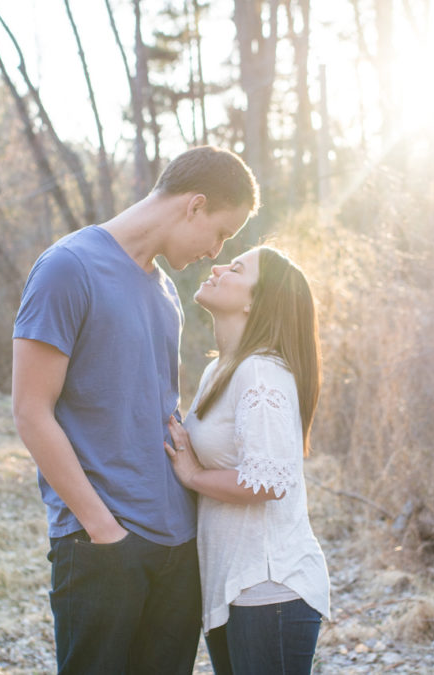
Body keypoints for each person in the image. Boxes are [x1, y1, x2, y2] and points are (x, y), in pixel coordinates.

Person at [11, 145, 259, 675]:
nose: (217, 252)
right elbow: (32, 412)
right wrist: (103, 530)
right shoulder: (67, 268)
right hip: (103, 544)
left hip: (177, 543)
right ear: (194, 206)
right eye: (220, 233)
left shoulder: (166, 291)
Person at [164, 246, 331, 675]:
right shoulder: (221, 369)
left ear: (254, 300)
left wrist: (194, 475)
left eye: (236, 267)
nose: (217, 267)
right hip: (233, 588)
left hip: (270, 592)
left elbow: (269, 483)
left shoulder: (261, 373)